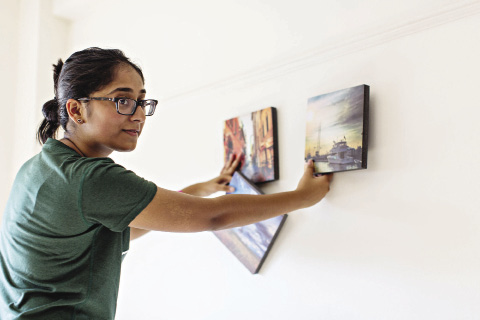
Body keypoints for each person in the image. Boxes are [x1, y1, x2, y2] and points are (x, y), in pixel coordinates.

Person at [0, 47, 332, 319]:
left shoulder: (40, 169)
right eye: (123, 100)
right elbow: (212, 217)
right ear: (76, 110)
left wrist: (201, 190)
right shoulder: (88, 178)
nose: (139, 114)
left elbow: (128, 226)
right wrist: (303, 196)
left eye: (142, 101)